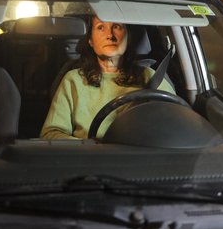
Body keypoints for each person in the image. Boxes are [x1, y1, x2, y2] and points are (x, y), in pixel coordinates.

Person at [41, 16, 175, 140]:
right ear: (90, 41)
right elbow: (51, 133)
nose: (110, 35)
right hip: (88, 161)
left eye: (117, 26)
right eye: (100, 27)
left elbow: (177, 123)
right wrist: (87, 149)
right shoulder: (73, 80)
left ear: (128, 38)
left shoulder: (149, 77)